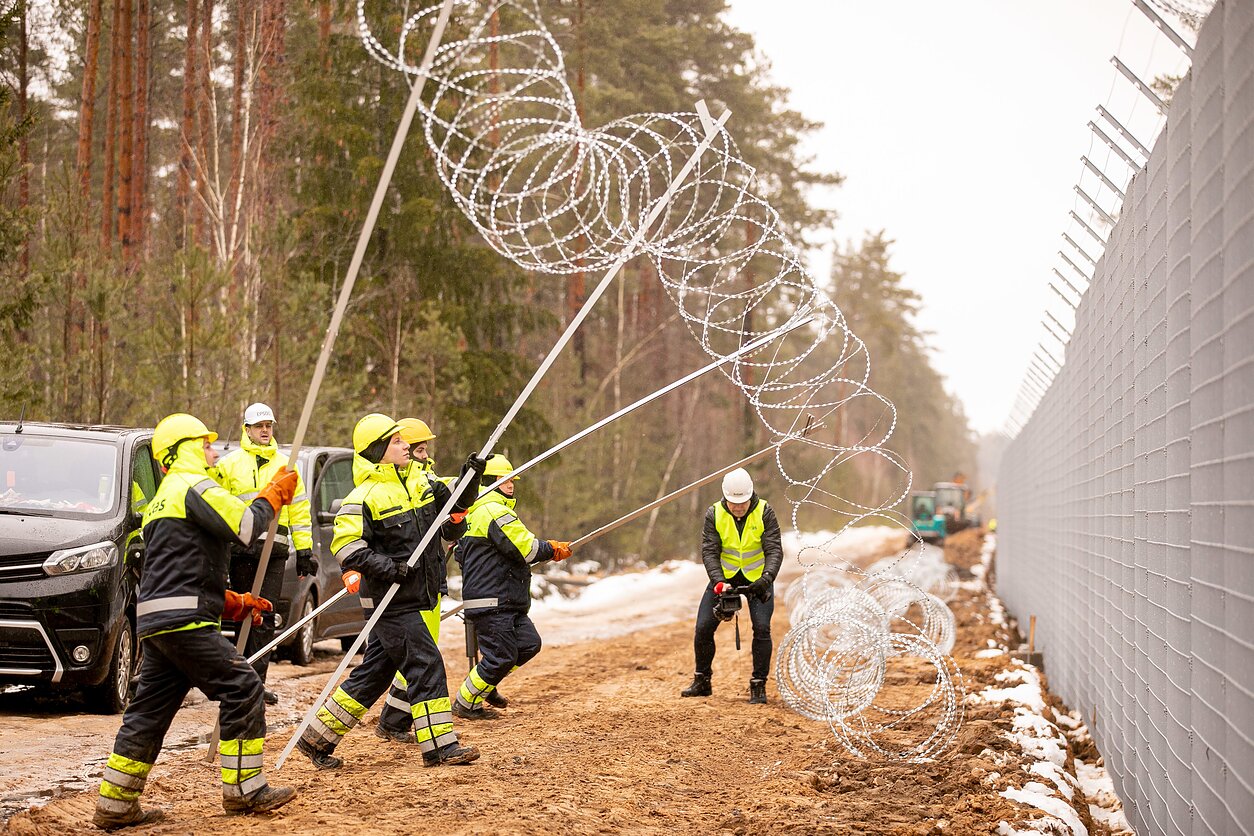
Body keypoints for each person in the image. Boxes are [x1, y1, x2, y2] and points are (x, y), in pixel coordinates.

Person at [93, 413, 299, 830]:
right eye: (205, 445)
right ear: (183, 449)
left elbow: (179, 572)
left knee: (147, 714)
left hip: (159, 623)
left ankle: (115, 805)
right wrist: (272, 495)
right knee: (243, 687)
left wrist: (233, 603)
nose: (213, 452)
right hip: (185, 623)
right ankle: (245, 791)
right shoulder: (193, 486)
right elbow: (246, 527)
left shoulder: (160, 501)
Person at [295, 413, 483, 768]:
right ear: (378, 449)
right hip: (391, 601)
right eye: (397, 442)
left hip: (416, 595)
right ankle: (440, 747)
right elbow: (347, 548)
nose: (405, 446)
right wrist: (391, 568)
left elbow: (455, 511)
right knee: (426, 665)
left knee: (373, 675)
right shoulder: (362, 497)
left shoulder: (421, 484)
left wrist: (470, 479)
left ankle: (316, 739)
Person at [450, 453, 571, 720]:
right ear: (489, 482)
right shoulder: (494, 511)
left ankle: (485, 684)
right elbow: (526, 548)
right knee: (501, 657)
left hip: (505, 599)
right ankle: (466, 702)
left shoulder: (475, 512)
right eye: (504, 480)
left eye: (512, 480)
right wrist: (552, 549)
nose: (510, 485)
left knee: (528, 644)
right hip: (493, 600)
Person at [213, 402, 315, 705]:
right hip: (240, 550)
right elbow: (218, 508)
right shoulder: (229, 465)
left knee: (265, 615)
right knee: (242, 613)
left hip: (275, 551)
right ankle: (240, 679)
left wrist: (305, 549)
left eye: (269, 426)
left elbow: (299, 510)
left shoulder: (286, 466)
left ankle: (257, 682)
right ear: (247, 429)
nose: (265, 431)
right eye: (259, 426)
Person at [680, 467, 783, 704]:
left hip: (758, 579)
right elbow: (709, 551)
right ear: (725, 497)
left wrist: (766, 578)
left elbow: (774, 549)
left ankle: (758, 684)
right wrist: (718, 582)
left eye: (742, 502)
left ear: (751, 495)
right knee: (703, 627)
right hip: (724, 578)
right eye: (733, 503)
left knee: (762, 629)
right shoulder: (714, 513)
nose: (738, 507)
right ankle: (702, 680)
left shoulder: (765, 511)